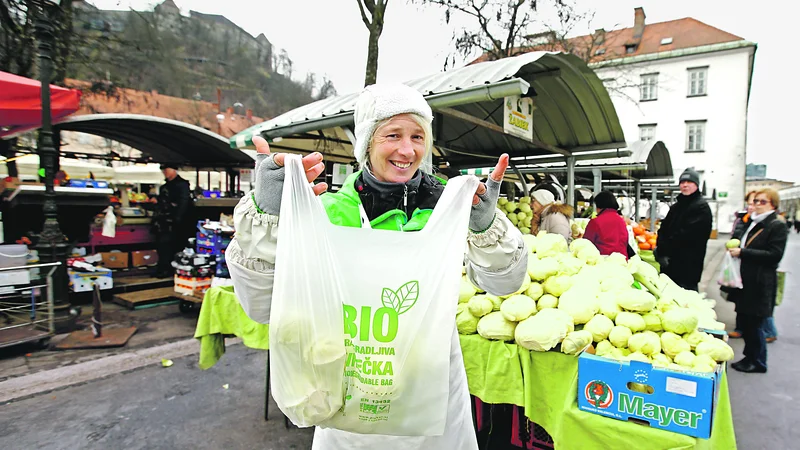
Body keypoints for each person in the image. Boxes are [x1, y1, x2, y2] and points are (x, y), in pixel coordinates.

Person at [227, 83, 527, 450]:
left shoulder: (445, 212)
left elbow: (505, 284)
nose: (407, 149)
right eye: (392, 135)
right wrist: (269, 218)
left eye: (418, 135)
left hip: (435, 415)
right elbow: (261, 306)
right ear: (366, 144)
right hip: (351, 412)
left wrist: (484, 225)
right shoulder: (329, 214)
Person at [728, 189, 788, 373]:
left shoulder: (775, 225)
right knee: (747, 321)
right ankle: (749, 357)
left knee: (755, 325)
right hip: (748, 281)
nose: (757, 205)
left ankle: (758, 361)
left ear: (773, 205)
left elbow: (774, 255)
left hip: (760, 282)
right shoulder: (754, 223)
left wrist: (743, 253)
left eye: (762, 202)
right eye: (756, 201)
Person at [654, 168, 712, 291]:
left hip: (687, 267)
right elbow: (663, 229)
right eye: (682, 182)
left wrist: (664, 250)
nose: (685, 185)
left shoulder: (701, 207)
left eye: (689, 182)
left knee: (686, 302)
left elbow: (687, 236)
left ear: (696, 185)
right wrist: (660, 250)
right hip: (670, 265)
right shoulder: (676, 207)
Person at [727, 191, 756, 339]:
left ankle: (769, 332)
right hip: (740, 266)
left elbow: (774, 254)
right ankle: (740, 328)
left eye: (756, 203)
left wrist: (742, 252)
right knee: (741, 300)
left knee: (757, 309)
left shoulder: (761, 224)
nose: (752, 207)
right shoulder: (743, 220)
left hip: (755, 271)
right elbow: (736, 236)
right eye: (750, 203)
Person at [153, 164, 191, 278]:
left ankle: (167, 270)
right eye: (163, 170)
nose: (164, 172)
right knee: (162, 246)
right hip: (163, 222)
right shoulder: (165, 186)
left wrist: (177, 219)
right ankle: (163, 268)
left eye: (166, 170)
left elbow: (184, 203)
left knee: (170, 246)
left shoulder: (182, 185)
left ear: (174, 170)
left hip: (175, 223)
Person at [583, 190, 629, 257]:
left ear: (599, 205)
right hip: (622, 260)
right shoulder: (621, 220)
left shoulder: (595, 222)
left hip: (603, 261)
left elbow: (586, 244)